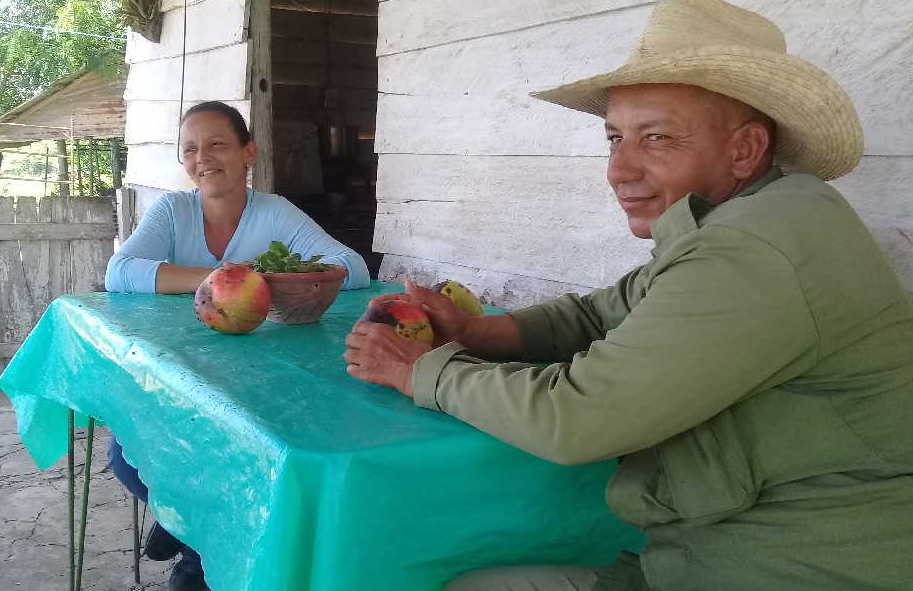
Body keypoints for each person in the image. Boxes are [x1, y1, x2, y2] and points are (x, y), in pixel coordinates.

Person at [343, 0, 913, 589]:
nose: (620, 169)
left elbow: (579, 418)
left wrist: (420, 372)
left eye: (657, 137)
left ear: (744, 149)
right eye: (615, 137)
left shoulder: (755, 247)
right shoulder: (746, 217)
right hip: (707, 554)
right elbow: (602, 311)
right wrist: (474, 331)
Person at [105, 101, 370, 591]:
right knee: (125, 457)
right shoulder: (173, 210)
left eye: (217, 145)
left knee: (257, 460)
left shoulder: (273, 212)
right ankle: (190, 529)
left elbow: (353, 267)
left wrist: (278, 280)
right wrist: (223, 280)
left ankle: (197, 552)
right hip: (178, 370)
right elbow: (120, 272)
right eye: (190, 149)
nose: (202, 158)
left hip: (257, 381)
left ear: (249, 152)